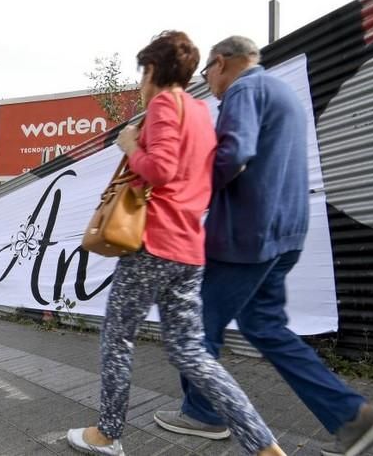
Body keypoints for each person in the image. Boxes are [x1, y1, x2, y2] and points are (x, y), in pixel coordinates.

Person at [153, 35, 373, 456]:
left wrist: (188, 191)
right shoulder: (282, 92)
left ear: (221, 63)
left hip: (246, 237)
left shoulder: (244, 89)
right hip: (286, 233)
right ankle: (353, 418)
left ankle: (203, 413)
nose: (210, 83)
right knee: (266, 327)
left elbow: (234, 154)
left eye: (209, 73)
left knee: (197, 327)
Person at [66, 31, 284, 456]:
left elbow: (160, 170)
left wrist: (131, 145)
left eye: (142, 74)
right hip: (188, 250)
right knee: (192, 353)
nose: (142, 84)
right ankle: (264, 446)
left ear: (152, 70)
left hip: (152, 246)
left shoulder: (165, 105)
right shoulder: (202, 112)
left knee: (117, 338)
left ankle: (107, 435)